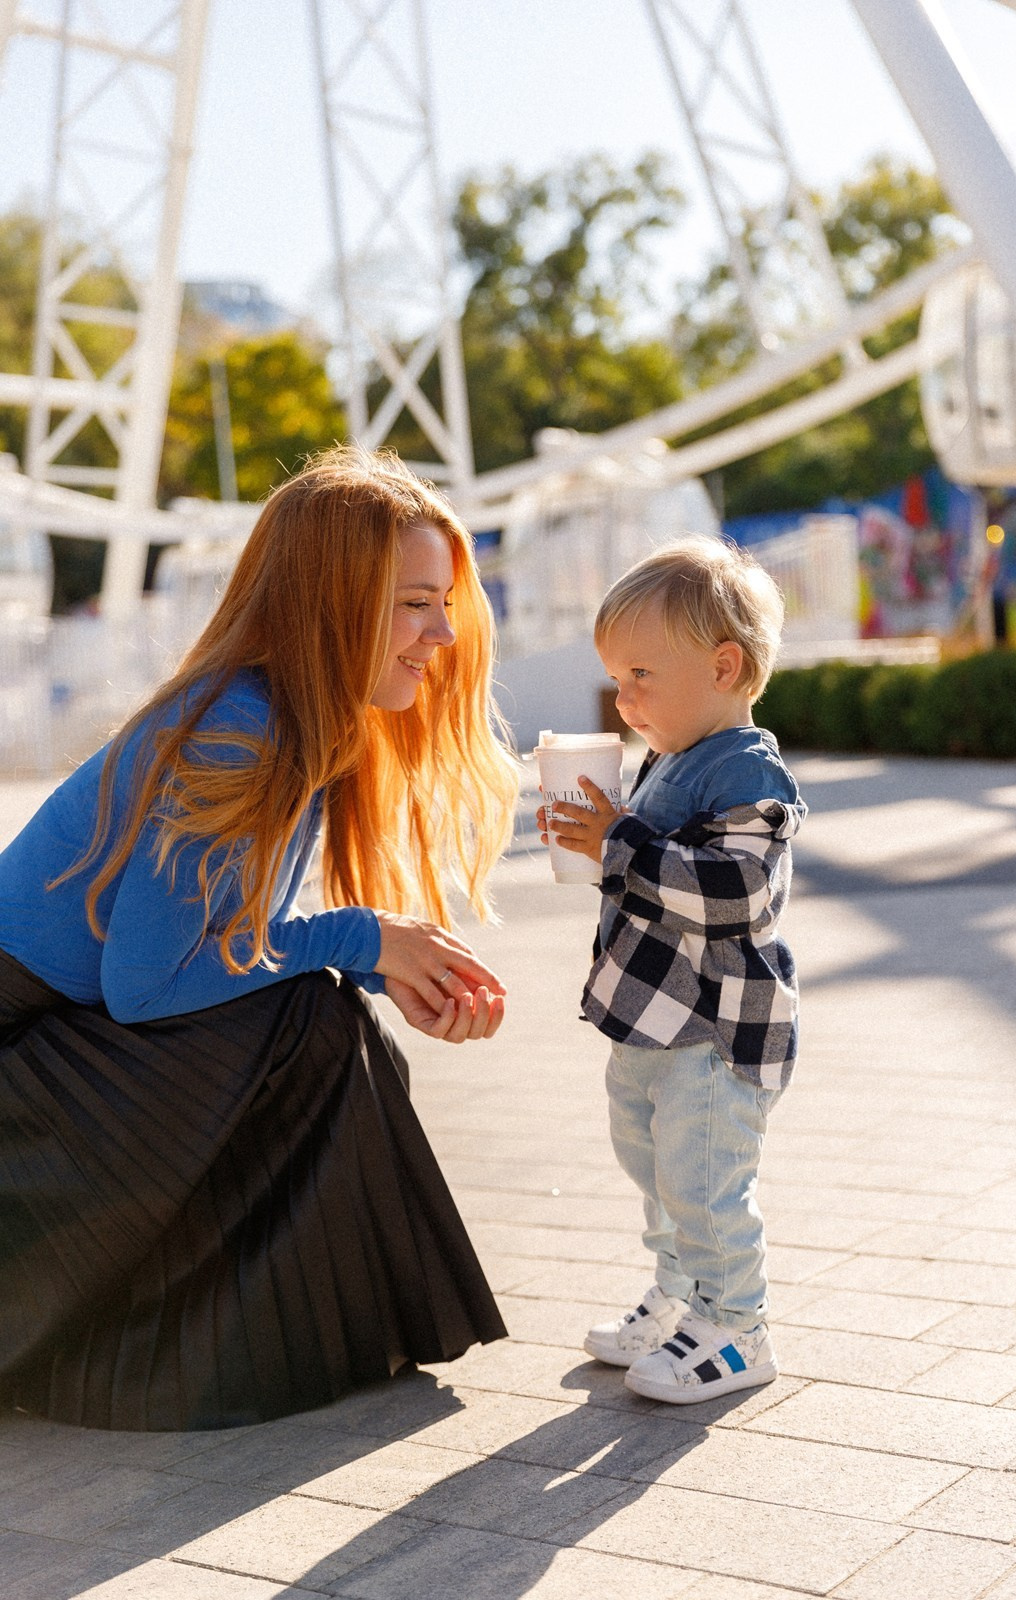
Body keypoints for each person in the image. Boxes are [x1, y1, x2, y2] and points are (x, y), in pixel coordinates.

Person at [0, 447, 519, 1431]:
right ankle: (179, 1358)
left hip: (49, 1049)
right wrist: (359, 938)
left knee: (316, 1013)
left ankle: (243, 1347)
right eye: (415, 602)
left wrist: (371, 955)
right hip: (19, 1063)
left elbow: (225, 946)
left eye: (442, 603)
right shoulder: (238, 732)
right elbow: (147, 986)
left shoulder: (288, 720)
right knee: (306, 1018)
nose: (441, 633)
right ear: (334, 600)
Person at [539, 538, 806, 1405]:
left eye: (640, 674)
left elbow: (736, 896)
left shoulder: (745, 771)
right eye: (617, 677)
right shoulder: (669, 755)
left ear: (723, 666)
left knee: (704, 1183)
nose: (623, 697)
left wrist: (617, 842)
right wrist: (606, 834)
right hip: (650, 1023)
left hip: (714, 1032)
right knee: (655, 1172)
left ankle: (736, 1326)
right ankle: (681, 1297)